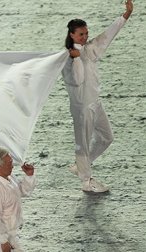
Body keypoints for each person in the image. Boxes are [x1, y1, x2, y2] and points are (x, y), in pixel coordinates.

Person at [61, 0, 133, 192]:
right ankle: (87, 182)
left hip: (96, 103)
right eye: (81, 34)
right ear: (72, 35)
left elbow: (107, 36)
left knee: (106, 137)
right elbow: (76, 80)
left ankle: (81, 165)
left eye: (86, 33)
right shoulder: (67, 58)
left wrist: (125, 16)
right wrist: (76, 59)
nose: (85, 37)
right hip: (82, 107)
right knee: (82, 145)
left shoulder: (91, 48)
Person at [0, 147, 36, 252]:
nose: (12, 167)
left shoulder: (8, 177)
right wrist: (2, 241)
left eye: (11, 162)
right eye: (9, 164)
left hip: (11, 235)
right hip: (5, 236)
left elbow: (23, 191)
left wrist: (29, 176)